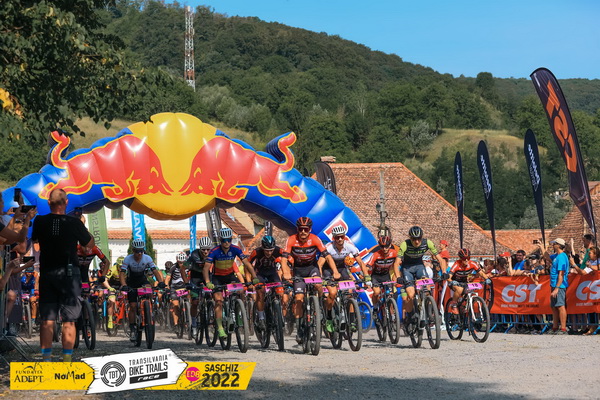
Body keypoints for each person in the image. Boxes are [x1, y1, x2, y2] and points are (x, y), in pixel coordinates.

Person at [31, 188, 92, 362]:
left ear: (48, 202)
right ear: (66, 202)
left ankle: (46, 360)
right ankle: (66, 360)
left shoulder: (40, 221)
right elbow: (89, 244)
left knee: (47, 319)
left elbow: (35, 240)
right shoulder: (74, 222)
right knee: (69, 320)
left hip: (48, 273)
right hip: (69, 275)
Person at [280, 217, 336, 341]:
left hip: (312, 269)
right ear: (297, 229)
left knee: (318, 285)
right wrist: (286, 272)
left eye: (306, 229)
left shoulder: (315, 239)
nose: (303, 232)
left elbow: (327, 256)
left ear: (310, 229)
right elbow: (284, 258)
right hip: (298, 271)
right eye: (301, 229)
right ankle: (300, 328)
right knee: (299, 298)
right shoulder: (291, 239)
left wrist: (335, 271)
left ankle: (320, 304)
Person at [203, 227, 259, 338]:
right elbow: (205, 268)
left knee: (241, 291)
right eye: (224, 240)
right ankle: (220, 328)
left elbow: (247, 263)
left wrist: (254, 276)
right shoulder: (214, 251)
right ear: (220, 240)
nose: (227, 242)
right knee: (218, 301)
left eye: (229, 240)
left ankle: (239, 311)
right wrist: (208, 282)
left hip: (230, 276)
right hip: (217, 278)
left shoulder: (235, 249)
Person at [319, 225, 368, 333]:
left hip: (341, 269)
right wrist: (321, 279)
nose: (340, 239)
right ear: (334, 238)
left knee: (350, 293)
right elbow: (320, 264)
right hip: (328, 270)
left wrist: (366, 276)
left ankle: (351, 320)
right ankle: (329, 317)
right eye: (337, 237)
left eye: (342, 236)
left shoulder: (349, 246)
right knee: (332, 293)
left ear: (345, 236)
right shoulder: (328, 247)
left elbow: (360, 262)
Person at [397, 226, 446, 328]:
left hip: (419, 267)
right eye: (414, 239)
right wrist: (398, 277)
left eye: (419, 238)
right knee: (411, 294)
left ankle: (428, 312)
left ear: (422, 237)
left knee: (427, 288)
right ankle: (410, 315)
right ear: (410, 238)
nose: (417, 241)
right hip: (407, 269)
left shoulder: (428, 243)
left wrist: (444, 272)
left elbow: (441, 260)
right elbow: (396, 263)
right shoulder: (405, 244)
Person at [120, 239, 165, 342]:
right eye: (137, 251)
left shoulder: (147, 258)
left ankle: (149, 309)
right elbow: (122, 273)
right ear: (133, 250)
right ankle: (132, 328)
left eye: (141, 251)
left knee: (149, 290)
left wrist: (160, 282)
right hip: (131, 282)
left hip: (142, 280)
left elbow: (155, 271)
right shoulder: (128, 259)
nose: (139, 253)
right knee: (132, 306)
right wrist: (124, 285)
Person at [249, 235, 287, 330]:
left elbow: (288, 257)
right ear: (262, 248)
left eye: (271, 250)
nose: (269, 253)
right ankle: (261, 318)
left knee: (281, 292)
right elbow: (247, 264)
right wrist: (249, 280)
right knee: (260, 293)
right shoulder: (256, 252)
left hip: (272, 273)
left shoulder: (278, 250)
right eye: (266, 250)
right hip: (260, 274)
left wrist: (286, 271)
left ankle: (278, 313)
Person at [446, 248, 491, 315]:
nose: (466, 260)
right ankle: (454, 305)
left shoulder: (472, 263)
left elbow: (481, 273)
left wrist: (486, 279)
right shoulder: (456, 264)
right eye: (464, 258)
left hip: (464, 282)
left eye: (468, 258)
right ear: (461, 259)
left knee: (473, 288)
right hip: (454, 282)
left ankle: (465, 306)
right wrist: (451, 281)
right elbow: (448, 277)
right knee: (460, 289)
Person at [187, 236, 213, 336]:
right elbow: (182, 268)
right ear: (200, 248)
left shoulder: (213, 254)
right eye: (203, 250)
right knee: (195, 302)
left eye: (208, 249)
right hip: (195, 278)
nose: (206, 252)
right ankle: (194, 324)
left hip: (207, 277)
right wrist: (186, 283)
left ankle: (211, 314)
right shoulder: (194, 255)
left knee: (213, 296)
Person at [368, 235, 401, 311]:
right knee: (377, 292)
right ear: (379, 246)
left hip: (386, 276)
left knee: (390, 295)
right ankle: (375, 307)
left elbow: (399, 264)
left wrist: (397, 276)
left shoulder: (394, 253)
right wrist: (366, 277)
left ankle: (391, 315)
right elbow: (368, 266)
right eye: (382, 247)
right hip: (376, 276)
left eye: (386, 246)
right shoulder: (376, 254)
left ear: (390, 245)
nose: (384, 249)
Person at [545, 238, 569, 335]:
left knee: (560, 306)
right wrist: (542, 247)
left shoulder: (562, 257)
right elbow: (547, 257)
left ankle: (563, 328)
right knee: (554, 307)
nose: (553, 245)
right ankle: (555, 327)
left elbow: (561, 274)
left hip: (560, 285)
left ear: (558, 245)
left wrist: (557, 288)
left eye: (554, 244)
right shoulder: (556, 256)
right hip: (554, 284)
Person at [165, 252, 189, 331]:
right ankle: (176, 324)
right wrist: (166, 286)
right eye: (180, 262)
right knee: (175, 305)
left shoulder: (188, 266)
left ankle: (188, 318)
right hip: (175, 288)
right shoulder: (173, 267)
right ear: (177, 260)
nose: (181, 264)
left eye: (183, 262)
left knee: (190, 301)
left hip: (184, 287)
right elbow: (168, 277)